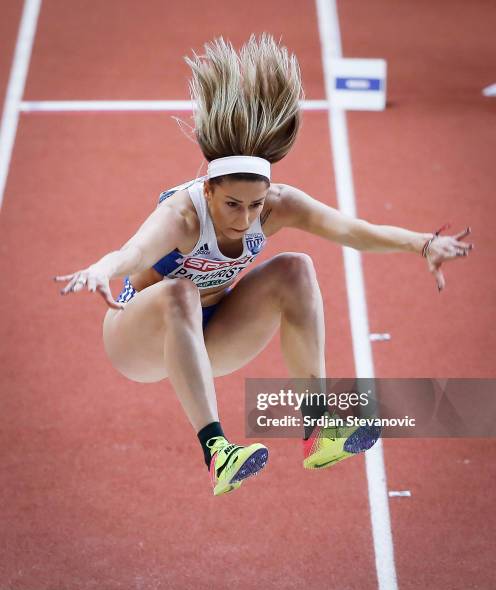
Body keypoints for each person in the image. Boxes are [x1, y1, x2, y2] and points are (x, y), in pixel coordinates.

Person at [54, 34, 473, 496]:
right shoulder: (183, 215)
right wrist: (101, 266)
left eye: (254, 205)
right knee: (180, 291)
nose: (245, 218)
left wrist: (421, 244)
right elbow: (133, 253)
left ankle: (319, 430)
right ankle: (217, 451)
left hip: (211, 336)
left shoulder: (275, 206)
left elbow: (352, 231)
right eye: (232, 203)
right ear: (209, 189)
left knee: (296, 267)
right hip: (138, 337)